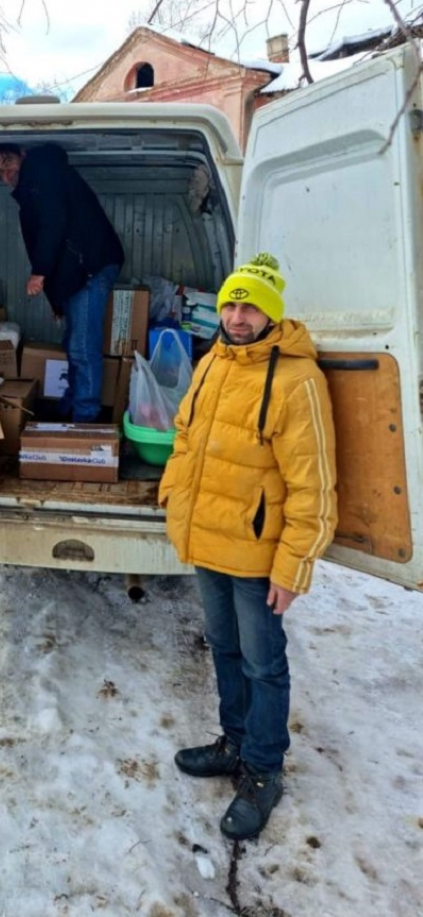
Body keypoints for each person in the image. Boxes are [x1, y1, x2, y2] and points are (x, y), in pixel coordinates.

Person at [159, 253, 337, 841]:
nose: (237, 315)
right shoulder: (214, 360)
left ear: (271, 313)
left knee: (264, 663)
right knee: (223, 648)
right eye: (231, 303)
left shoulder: (297, 380)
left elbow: (314, 486)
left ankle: (263, 769)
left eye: (250, 305)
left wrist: (293, 567)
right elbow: (186, 433)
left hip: (258, 555)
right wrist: (172, 493)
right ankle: (233, 741)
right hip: (208, 539)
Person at [0, 141, 124, 422]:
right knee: (74, 340)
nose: (6, 174)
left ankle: (85, 418)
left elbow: (54, 222)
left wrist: (39, 272)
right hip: (78, 270)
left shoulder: (41, 170)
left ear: (22, 154)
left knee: (82, 346)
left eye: (8, 162)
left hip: (91, 265)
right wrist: (57, 300)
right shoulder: (32, 190)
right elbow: (53, 243)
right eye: (0, 173)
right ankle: (72, 403)